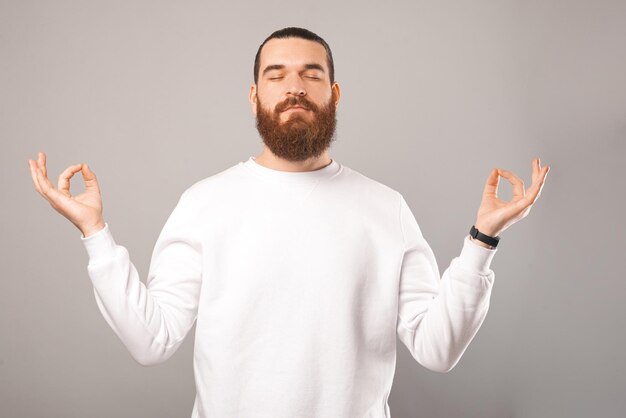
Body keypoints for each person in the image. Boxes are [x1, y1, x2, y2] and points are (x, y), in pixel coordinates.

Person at [27, 27, 550, 418]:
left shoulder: (384, 207)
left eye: (311, 73)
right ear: (254, 95)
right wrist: (95, 234)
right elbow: (151, 340)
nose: (293, 87)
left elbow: (437, 350)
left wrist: (483, 240)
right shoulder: (205, 202)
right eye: (275, 75)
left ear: (334, 94)